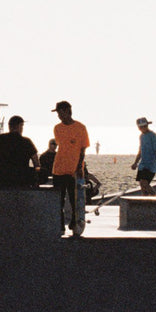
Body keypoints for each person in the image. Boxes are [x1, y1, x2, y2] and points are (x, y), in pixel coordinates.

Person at [51, 101, 90, 236]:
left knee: (75, 201)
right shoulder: (57, 128)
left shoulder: (81, 128)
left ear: (67, 111)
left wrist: (79, 167)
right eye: (57, 113)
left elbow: (82, 149)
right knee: (59, 200)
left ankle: (75, 225)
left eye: (60, 112)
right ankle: (60, 225)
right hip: (59, 169)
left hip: (74, 170)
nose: (59, 116)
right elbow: (63, 144)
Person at [0, 116, 39, 188]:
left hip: (3, 178)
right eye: (22, 126)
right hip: (22, 179)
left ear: (9, 126)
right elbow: (36, 163)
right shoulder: (27, 141)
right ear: (19, 126)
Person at [131, 117, 156, 196]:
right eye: (141, 127)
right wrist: (135, 162)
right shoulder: (141, 136)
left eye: (144, 126)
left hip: (151, 164)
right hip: (142, 164)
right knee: (142, 186)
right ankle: (145, 201)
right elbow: (140, 151)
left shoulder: (153, 136)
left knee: (144, 183)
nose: (143, 128)